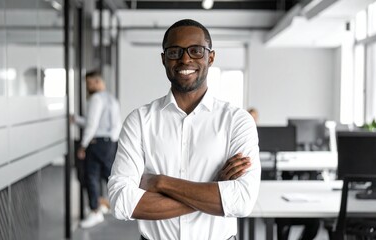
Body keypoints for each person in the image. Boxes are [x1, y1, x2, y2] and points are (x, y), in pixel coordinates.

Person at [107, 19, 261, 240]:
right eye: (174, 52)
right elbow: (121, 202)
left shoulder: (237, 121)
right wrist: (214, 190)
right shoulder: (139, 121)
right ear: (164, 59)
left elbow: (241, 201)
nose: (185, 58)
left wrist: (159, 182)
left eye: (196, 50)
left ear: (211, 57)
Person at [73, 70, 122, 228]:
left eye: (89, 83)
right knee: (109, 175)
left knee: (91, 176)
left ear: (97, 82)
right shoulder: (112, 100)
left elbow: (92, 124)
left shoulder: (95, 99)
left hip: (96, 142)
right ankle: (113, 204)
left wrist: (83, 145)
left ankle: (95, 211)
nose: (88, 86)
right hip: (110, 142)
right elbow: (114, 125)